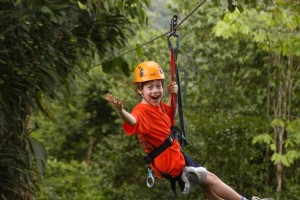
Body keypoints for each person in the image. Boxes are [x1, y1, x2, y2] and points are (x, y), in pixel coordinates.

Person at [106, 61, 269, 200]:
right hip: (170, 160)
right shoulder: (141, 111)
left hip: (172, 156)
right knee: (210, 178)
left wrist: (172, 96)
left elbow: (170, 118)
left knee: (206, 185)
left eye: (159, 86)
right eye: (150, 87)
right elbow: (133, 121)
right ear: (140, 90)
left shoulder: (158, 106)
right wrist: (121, 111)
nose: (156, 91)